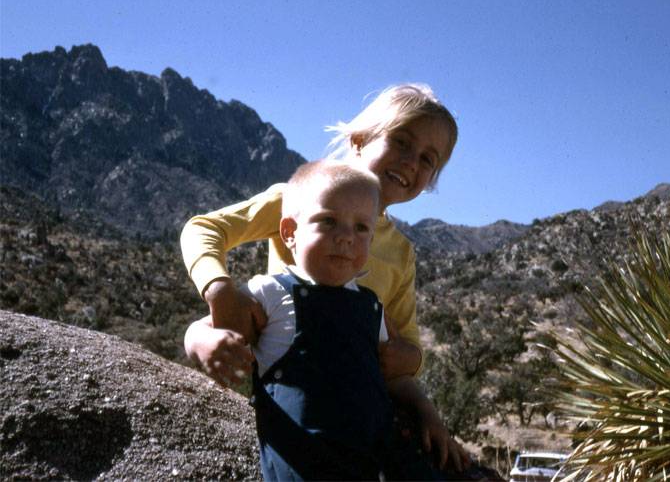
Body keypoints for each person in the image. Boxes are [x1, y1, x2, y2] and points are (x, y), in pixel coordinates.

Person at [185, 160, 467, 480]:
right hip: (306, 460)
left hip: (379, 457)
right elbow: (205, 327)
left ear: (371, 240)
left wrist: (428, 414)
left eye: (361, 228)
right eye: (328, 221)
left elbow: (392, 376)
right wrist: (201, 341)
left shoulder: (371, 307)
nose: (346, 237)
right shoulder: (271, 292)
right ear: (290, 233)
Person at [180, 84, 457, 383]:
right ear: (359, 141)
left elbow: (407, 338)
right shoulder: (300, 200)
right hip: (285, 377)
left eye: (428, 159)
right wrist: (220, 292)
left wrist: (411, 360)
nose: (411, 162)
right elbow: (205, 228)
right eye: (401, 141)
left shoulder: (401, 253)